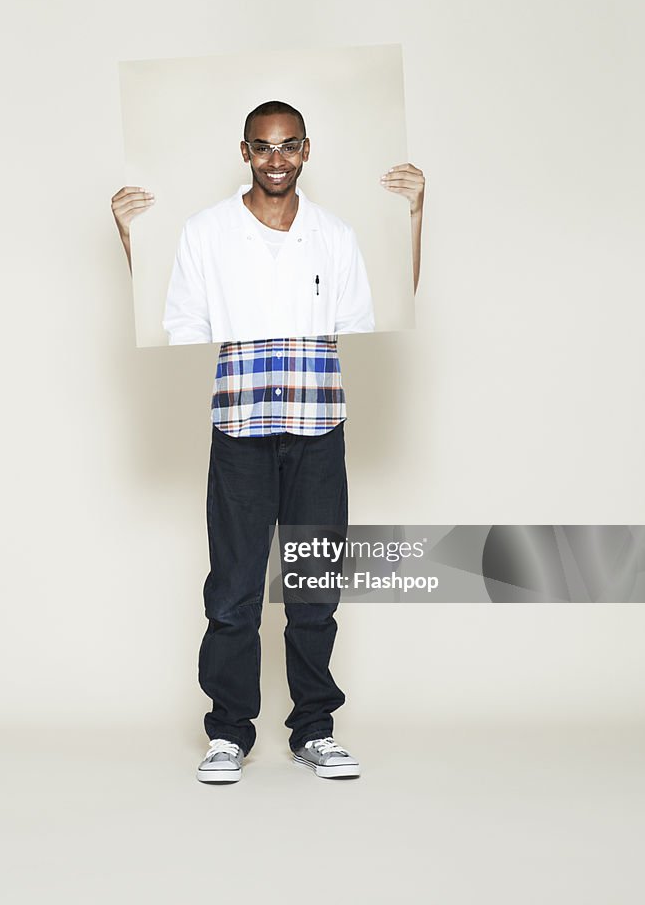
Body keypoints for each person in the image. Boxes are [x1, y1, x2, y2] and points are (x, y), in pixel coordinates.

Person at [111, 101, 425, 783]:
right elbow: (175, 319)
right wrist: (131, 237)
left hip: (319, 429)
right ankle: (228, 733)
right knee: (232, 593)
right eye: (263, 147)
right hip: (240, 430)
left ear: (306, 150)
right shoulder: (205, 232)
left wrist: (415, 217)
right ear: (245, 152)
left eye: (288, 147)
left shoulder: (336, 235)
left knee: (313, 588)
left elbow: (384, 308)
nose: (276, 159)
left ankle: (314, 729)